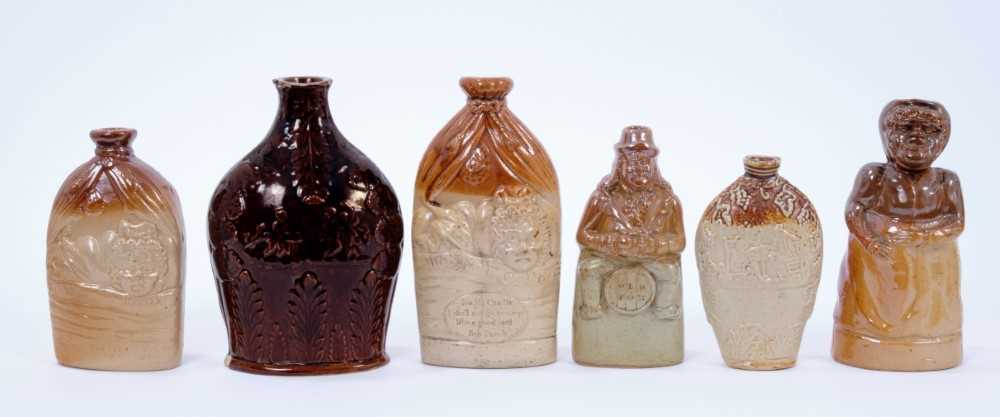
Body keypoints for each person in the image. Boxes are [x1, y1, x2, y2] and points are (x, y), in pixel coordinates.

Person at [832, 99, 965, 371]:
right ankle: (862, 342)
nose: (917, 137)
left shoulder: (945, 180)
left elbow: (956, 221)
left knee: (932, 300)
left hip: (930, 267)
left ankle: (931, 344)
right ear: (888, 135)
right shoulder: (876, 175)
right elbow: (854, 211)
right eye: (906, 128)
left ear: (941, 140)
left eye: (928, 130)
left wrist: (919, 234)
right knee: (874, 297)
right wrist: (870, 240)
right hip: (880, 265)